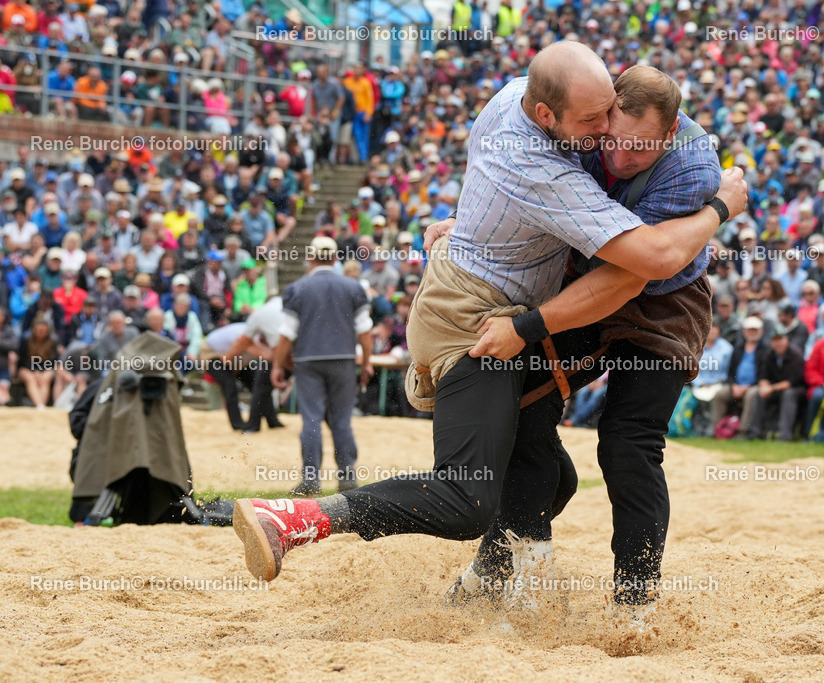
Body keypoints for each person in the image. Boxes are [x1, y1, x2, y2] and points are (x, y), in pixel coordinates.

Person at [232, 42, 745, 606]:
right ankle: (302, 518)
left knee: (588, 461)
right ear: (549, 114)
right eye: (598, 125)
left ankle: (533, 594)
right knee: (471, 494)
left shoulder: (525, 104)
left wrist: (474, 225)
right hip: (484, 311)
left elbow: (635, 266)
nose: (610, 146)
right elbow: (637, 258)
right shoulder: (540, 161)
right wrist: (720, 209)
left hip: (574, 295)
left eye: (627, 137)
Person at [270, 236, 374, 494]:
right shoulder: (353, 288)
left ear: (311, 257)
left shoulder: (297, 289)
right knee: (342, 420)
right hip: (344, 360)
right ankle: (348, 477)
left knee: (312, 420)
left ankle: (310, 480)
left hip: (308, 362)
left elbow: (287, 334)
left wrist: (277, 366)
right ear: (336, 257)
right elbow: (364, 331)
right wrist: (367, 363)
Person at [220, 295, 287, 433]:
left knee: (261, 384)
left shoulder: (259, 314)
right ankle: (272, 422)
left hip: (284, 350)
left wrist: (227, 358)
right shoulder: (286, 303)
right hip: (306, 350)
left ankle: (253, 425)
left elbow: (244, 341)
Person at [746, 326, 806, 441]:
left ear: (786, 340)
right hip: (776, 389)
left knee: (788, 394)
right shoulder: (769, 354)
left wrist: (771, 388)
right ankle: (754, 432)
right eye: (775, 340)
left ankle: (785, 435)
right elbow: (763, 375)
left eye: (780, 339)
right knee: (759, 393)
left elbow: (792, 382)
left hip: (797, 390)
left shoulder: (796, 355)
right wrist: (764, 387)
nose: (778, 343)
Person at [17, 316, 57, 408]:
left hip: (45, 369)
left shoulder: (52, 341)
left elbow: (52, 361)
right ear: (34, 330)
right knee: (30, 378)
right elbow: (22, 360)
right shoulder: (25, 340)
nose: (41, 334)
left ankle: (40, 406)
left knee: (46, 377)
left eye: (43, 331)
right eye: (39, 331)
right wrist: (34, 371)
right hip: (26, 368)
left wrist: (41, 371)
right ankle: (39, 405)